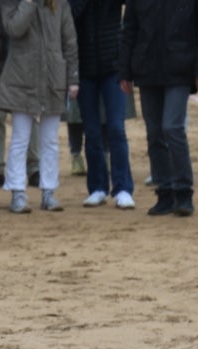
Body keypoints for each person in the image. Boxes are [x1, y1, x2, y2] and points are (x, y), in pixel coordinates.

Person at [119, 0, 198, 216]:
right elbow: (130, 28)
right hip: (147, 66)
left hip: (181, 66)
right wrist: (124, 70)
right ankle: (164, 192)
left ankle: (183, 191)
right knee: (154, 133)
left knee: (172, 127)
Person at [0, 0, 77, 213]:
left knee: (50, 140)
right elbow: (14, 29)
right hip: (22, 77)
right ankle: (18, 192)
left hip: (53, 77)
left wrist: (72, 77)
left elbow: (69, 41)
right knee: (20, 138)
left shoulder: (60, 3)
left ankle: (49, 191)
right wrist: (28, 2)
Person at [69, 0, 131, 208]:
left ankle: (123, 188)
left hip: (113, 64)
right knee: (92, 131)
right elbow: (69, 15)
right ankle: (97, 187)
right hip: (84, 66)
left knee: (116, 127)